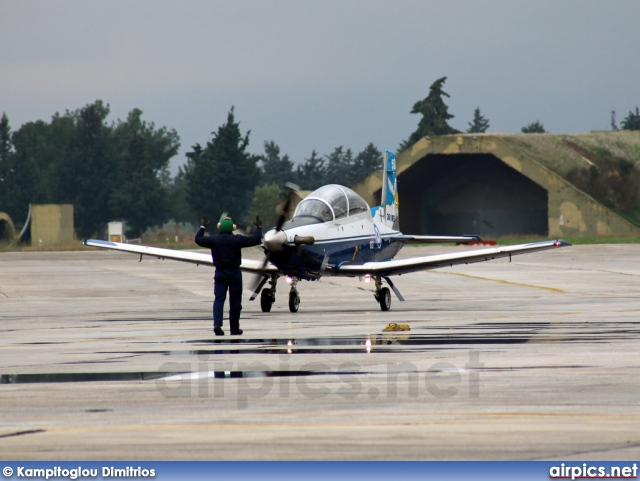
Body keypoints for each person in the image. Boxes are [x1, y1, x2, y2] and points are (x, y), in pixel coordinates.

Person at [195, 215, 263, 336]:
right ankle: (234, 328)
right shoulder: (238, 239)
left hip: (220, 273)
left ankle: (217, 324)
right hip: (234, 273)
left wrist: (202, 227)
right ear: (233, 228)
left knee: (219, 300)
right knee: (235, 302)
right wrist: (259, 227)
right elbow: (256, 239)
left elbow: (198, 239)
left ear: (220, 227)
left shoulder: (214, 240)